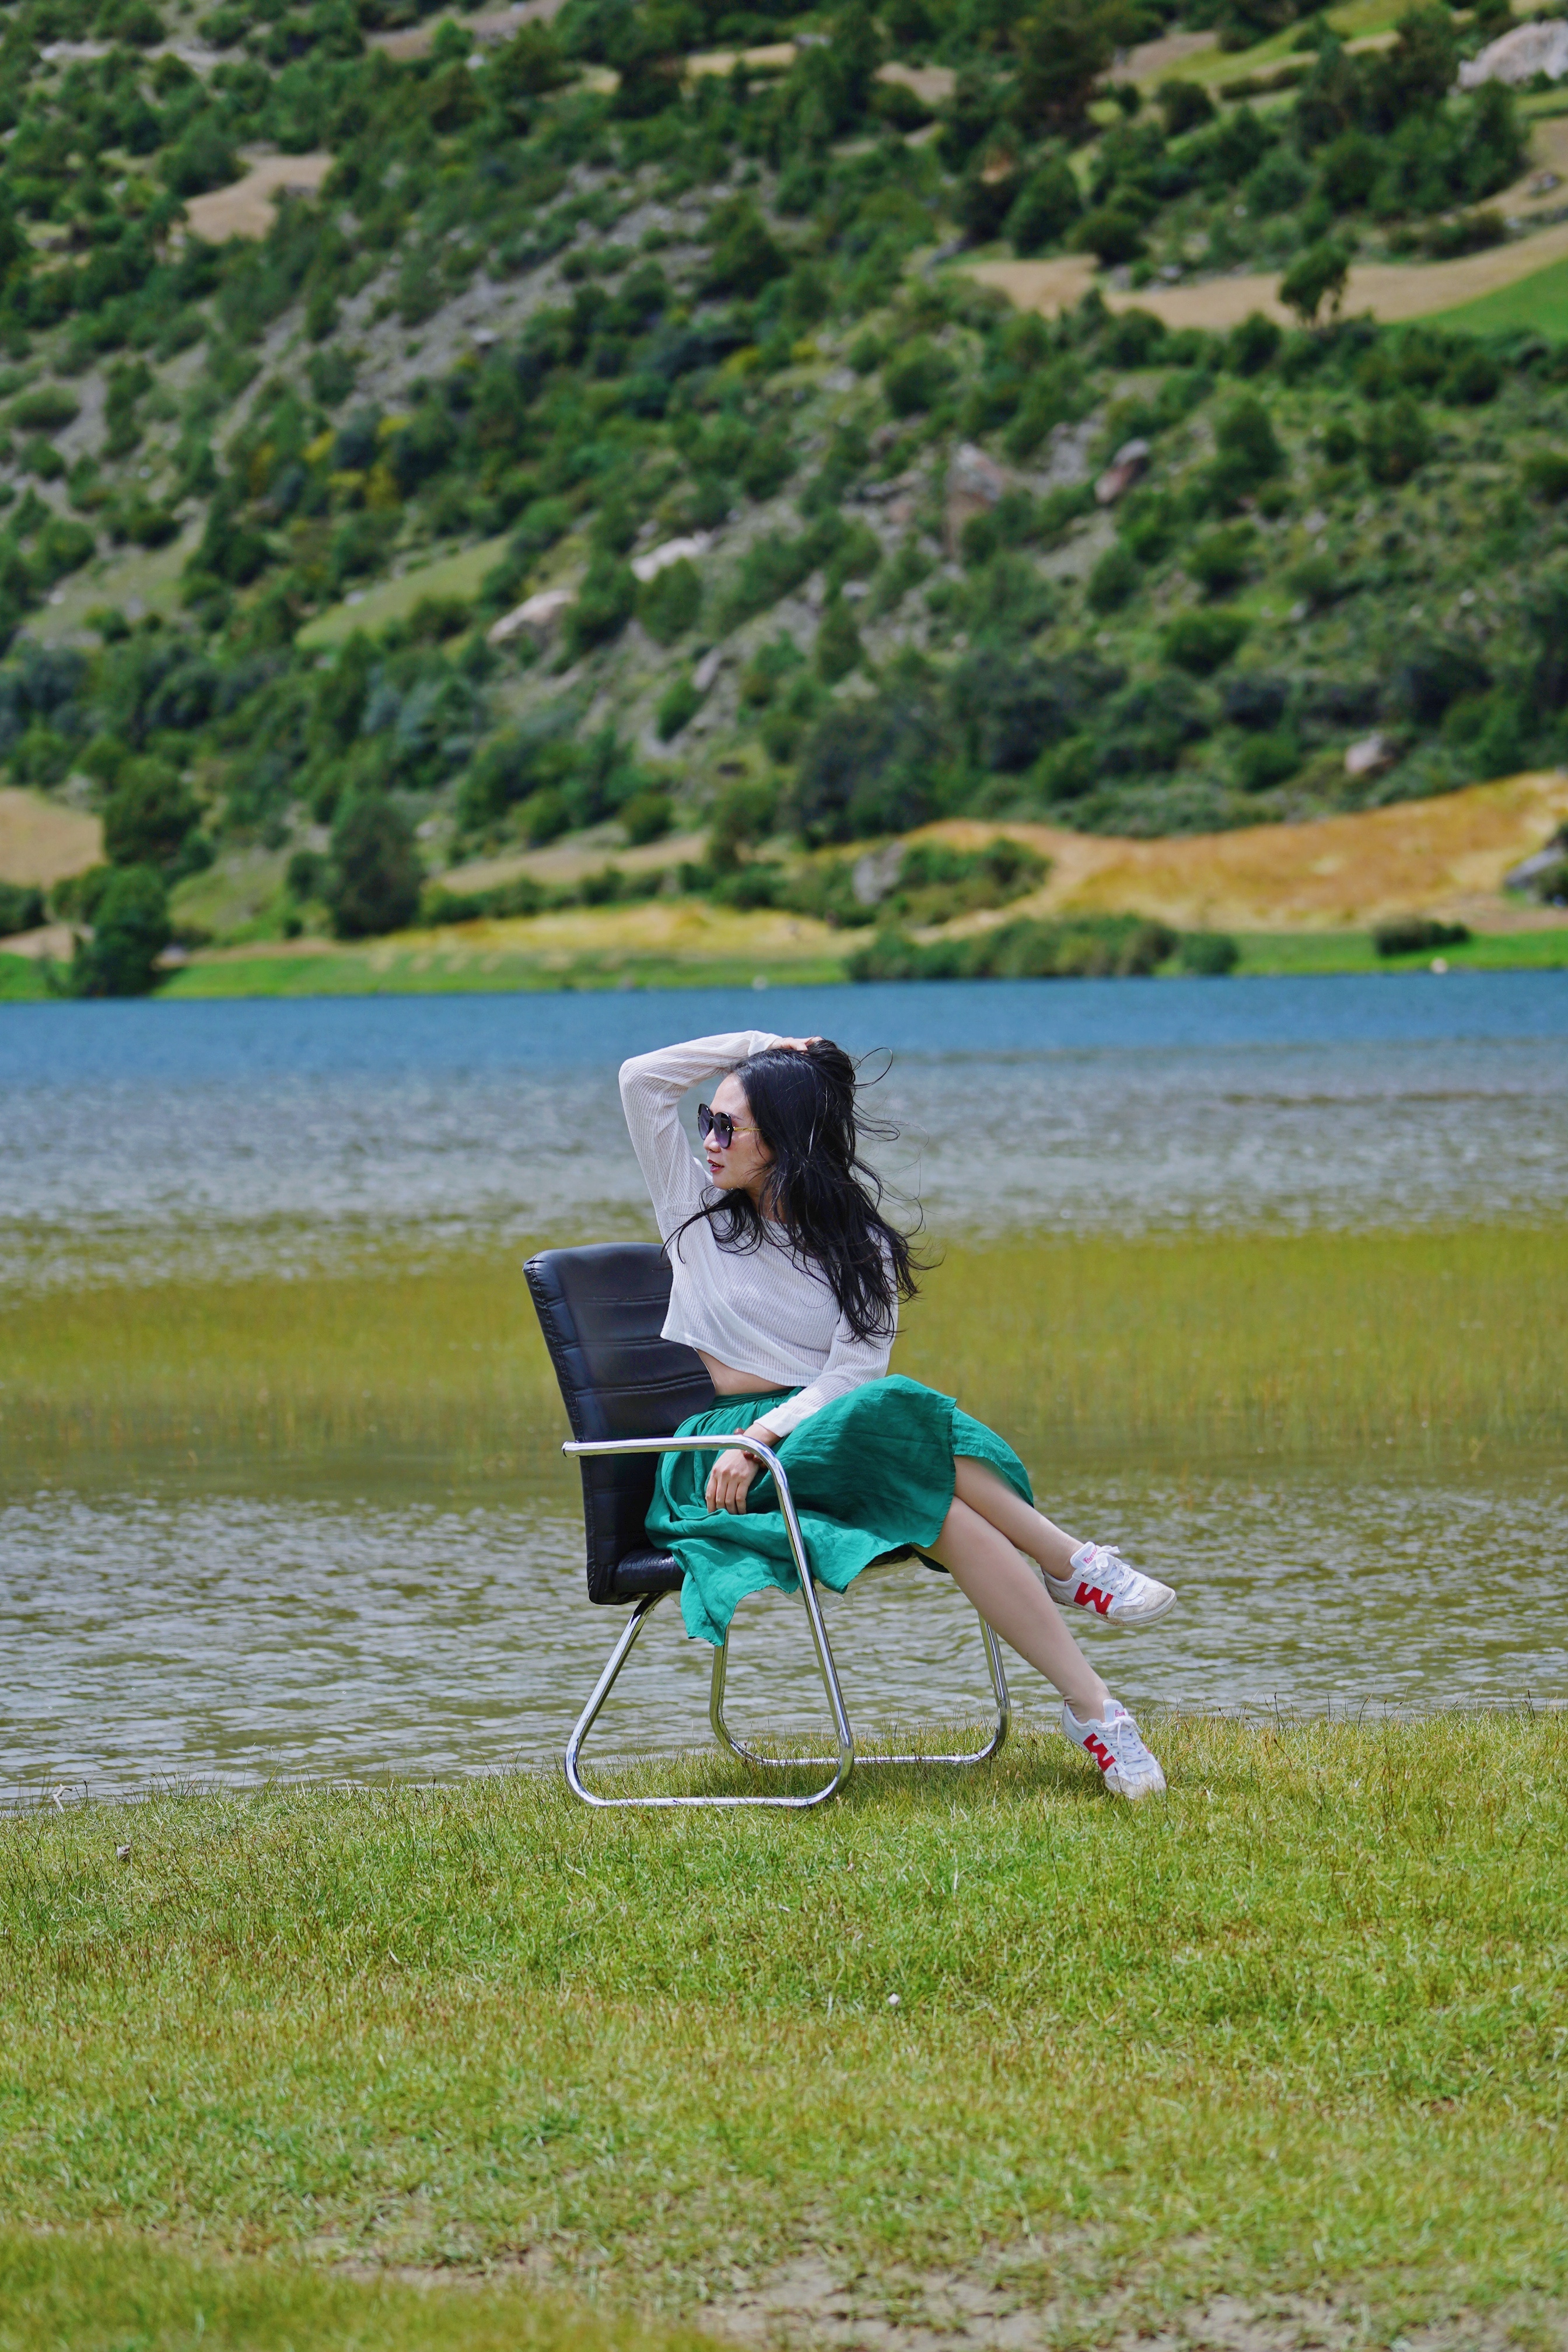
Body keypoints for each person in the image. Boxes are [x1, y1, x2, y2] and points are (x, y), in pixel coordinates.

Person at [619, 1028, 1174, 1801]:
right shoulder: (698, 1212)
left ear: (784, 1142)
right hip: (727, 1463)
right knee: (897, 1413)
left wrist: (771, 1432)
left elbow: (853, 1375)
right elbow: (642, 1079)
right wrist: (759, 1047)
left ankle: (1098, 1712)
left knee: (933, 1489)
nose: (708, 1139)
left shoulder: (859, 1243)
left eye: (728, 1126)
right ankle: (1068, 1562)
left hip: (819, 1439)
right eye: (706, 1119)